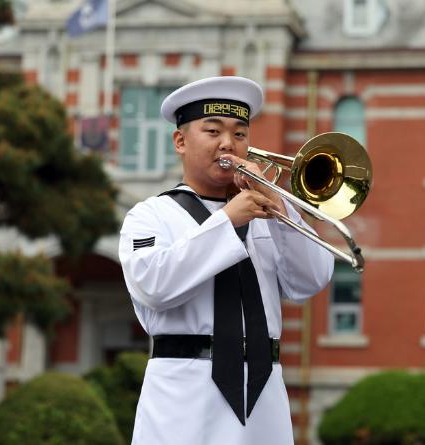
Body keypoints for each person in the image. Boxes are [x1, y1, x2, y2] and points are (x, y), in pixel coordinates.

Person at [118, 76, 335, 445]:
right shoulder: (150, 215)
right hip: (184, 391)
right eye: (213, 130)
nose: (228, 144)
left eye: (239, 134)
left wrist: (283, 209)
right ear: (181, 141)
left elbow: (311, 280)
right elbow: (153, 287)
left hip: (264, 390)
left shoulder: (268, 211)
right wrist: (228, 222)